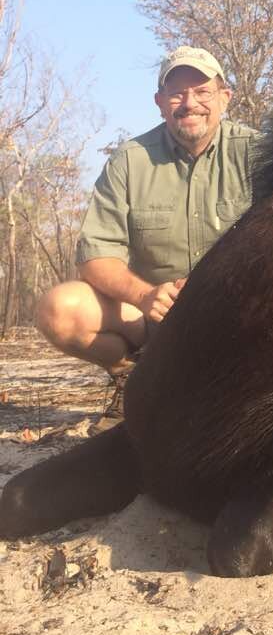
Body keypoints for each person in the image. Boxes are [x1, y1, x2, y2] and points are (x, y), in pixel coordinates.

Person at [36, 46, 259, 430]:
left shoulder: (260, 152)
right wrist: (145, 296)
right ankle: (131, 378)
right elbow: (95, 257)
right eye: (177, 93)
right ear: (160, 103)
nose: (189, 103)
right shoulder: (129, 159)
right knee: (60, 308)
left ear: (225, 97)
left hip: (237, 313)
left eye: (202, 91)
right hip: (153, 315)